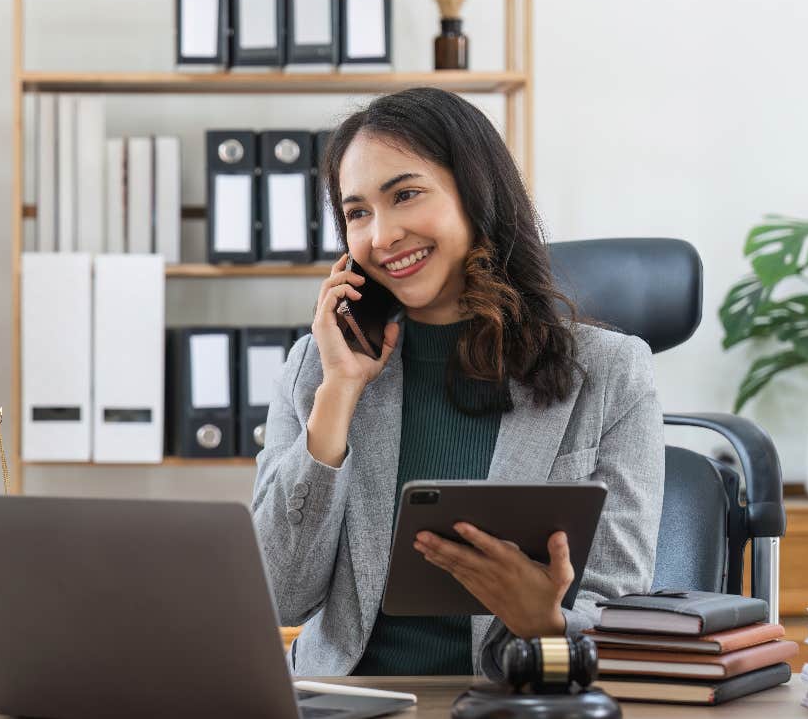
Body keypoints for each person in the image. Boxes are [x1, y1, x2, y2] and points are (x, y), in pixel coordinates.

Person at [251, 87, 665, 678]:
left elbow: (618, 608)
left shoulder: (610, 372)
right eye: (358, 212)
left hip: (515, 698)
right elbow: (278, 596)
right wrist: (339, 393)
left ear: (476, 194)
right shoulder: (316, 367)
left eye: (406, 195)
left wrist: (544, 620)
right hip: (349, 702)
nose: (382, 235)